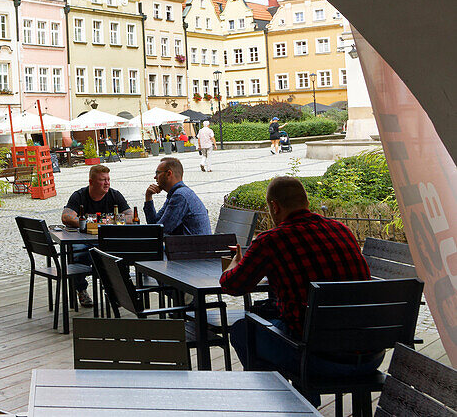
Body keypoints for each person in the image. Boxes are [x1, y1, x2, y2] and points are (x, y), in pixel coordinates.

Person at [221, 176, 376, 398]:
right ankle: (304, 402)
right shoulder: (341, 230)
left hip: (318, 359)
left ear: (274, 207)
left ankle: (286, 406)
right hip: (370, 355)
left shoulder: (271, 240)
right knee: (293, 325)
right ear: (306, 203)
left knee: (243, 331)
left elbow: (233, 286)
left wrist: (233, 265)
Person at [61, 164, 130, 306]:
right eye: (102, 180)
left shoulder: (114, 195)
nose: (107, 183)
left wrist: (109, 221)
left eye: (108, 179)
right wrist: (90, 224)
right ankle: (81, 289)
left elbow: (130, 216)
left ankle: (114, 291)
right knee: (77, 253)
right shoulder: (79, 196)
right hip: (84, 240)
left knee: (114, 256)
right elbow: (66, 217)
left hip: (106, 241)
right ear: (91, 182)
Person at [143, 157, 211, 235]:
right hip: (187, 244)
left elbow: (160, 231)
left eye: (157, 173)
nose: (155, 177)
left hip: (194, 246)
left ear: (169, 173)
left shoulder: (180, 196)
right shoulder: (175, 194)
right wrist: (148, 197)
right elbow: (154, 225)